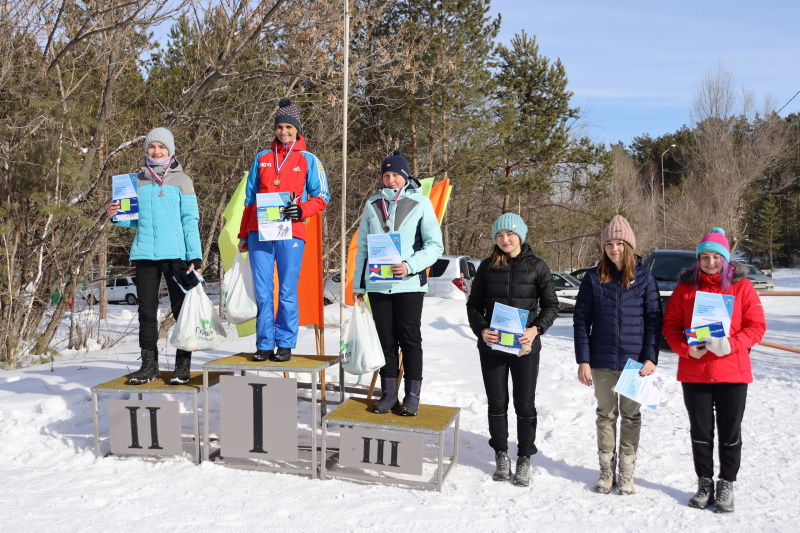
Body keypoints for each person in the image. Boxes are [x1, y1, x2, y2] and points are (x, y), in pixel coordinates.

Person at [663, 228, 766, 513]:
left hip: (732, 371)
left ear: (725, 258)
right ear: (698, 260)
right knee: (701, 430)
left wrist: (730, 344)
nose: (710, 262)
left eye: (716, 256)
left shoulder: (742, 286)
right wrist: (686, 349)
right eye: (704, 257)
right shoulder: (685, 289)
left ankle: (727, 483)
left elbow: (757, 327)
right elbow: (670, 326)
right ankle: (704, 481)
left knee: (730, 432)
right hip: (695, 372)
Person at [466, 213, 559, 487]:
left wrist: (536, 329)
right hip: (493, 346)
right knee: (497, 404)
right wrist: (482, 329)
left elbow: (552, 306)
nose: (505, 240)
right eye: (499, 235)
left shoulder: (538, 267)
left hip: (524, 347)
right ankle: (501, 454)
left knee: (525, 404)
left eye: (510, 234)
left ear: (520, 236)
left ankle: (525, 458)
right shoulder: (487, 266)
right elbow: (473, 305)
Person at [573, 215, 662, 495]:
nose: (614, 249)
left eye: (620, 243)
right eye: (609, 243)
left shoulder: (645, 279)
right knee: (605, 415)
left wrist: (650, 357)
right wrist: (583, 360)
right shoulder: (593, 277)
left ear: (630, 245)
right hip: (601, 362)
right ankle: (605, 472)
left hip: (635, 364)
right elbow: (580, 320)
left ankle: (627, 474)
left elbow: (653, 319)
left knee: (632, 416)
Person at [106, 127, 202, 385]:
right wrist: (116, 214)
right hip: (145, 254)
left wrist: (196, 257)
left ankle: (183, 366)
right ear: (146, 149)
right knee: (146, 312)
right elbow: (134, 221)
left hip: (176, 256)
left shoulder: (182, 181)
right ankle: (149, 365)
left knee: (181, 310)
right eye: (152, 147)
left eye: (162, 147)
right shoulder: (134, 181)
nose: (156, 151)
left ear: (171, 150)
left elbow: (190, 220)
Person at [238, 98, 330, 363]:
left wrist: (301, 209)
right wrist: (244, 234)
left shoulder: (308, 159)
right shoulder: (262, 158)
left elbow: (322, 195)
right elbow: (249, 198)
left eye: (289, 127)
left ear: (297, 129)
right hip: (260, 232)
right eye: (280, 127)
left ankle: (286, 343)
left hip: (292, 232)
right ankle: (265, 344)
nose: (284, 132)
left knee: (287, 290)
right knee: (263, 290)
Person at [352, 150, 443, 416]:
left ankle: (412, 396)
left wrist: (410, 266)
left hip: (409, 285)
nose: (390, 180)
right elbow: (363, 247)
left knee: (410, 340)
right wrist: (359, 285)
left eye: (395, 175)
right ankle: (389, 394)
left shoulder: (421, 203)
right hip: (378, 285)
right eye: (386, 175)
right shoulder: (372, 204)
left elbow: (434, 246)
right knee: (385, 342)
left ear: (405, 177)